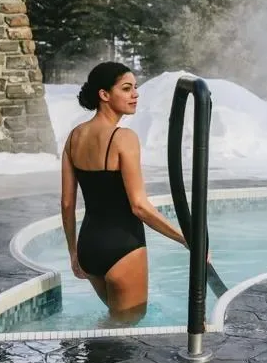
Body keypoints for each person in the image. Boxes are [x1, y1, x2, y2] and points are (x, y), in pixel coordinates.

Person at [60, 61, 190, 324]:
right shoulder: (124, 138)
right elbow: (139, 206)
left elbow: (66, 203)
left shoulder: (74, 137)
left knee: (114, 322)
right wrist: (187, 239)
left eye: (135, 88)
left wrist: (74, 253)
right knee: (128, 325)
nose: (135, 94)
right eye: (126, 88)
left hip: (89, 247)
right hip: (122, 248)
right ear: (104, 95)